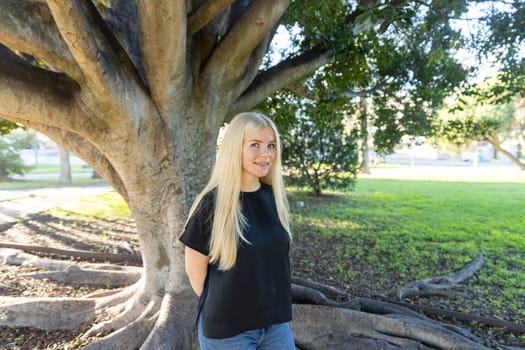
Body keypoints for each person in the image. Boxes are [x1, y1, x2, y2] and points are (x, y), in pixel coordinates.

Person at [179, 112, 295, 349]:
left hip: (275, 326)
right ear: (235, 148)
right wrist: (230, 309)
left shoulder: (273, 197)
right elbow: (195, 272)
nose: (266, 153)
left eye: (271, 145)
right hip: (228, 330)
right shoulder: (212, 205)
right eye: (255, 145)